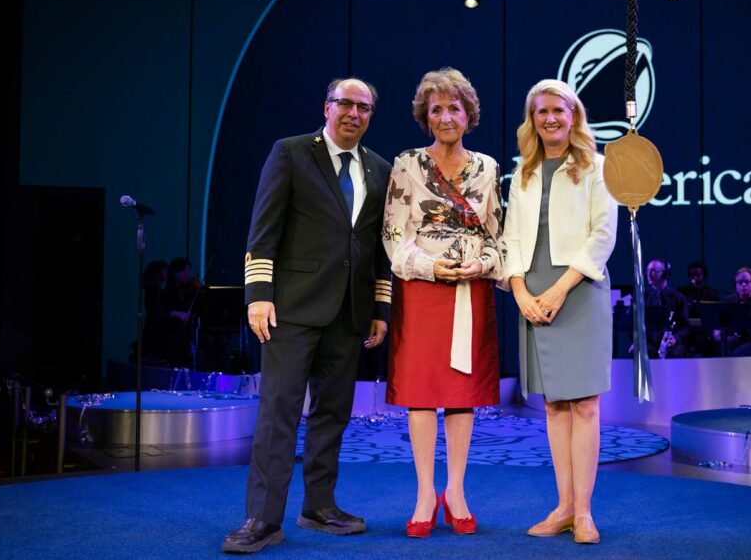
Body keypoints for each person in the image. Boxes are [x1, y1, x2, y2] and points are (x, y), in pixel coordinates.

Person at [222, 78, 392, 554]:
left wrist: (381, 308)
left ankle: (319, 506)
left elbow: (379, 247)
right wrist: (258, 294)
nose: (353, 113)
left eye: (363, 107)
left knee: (332, 414)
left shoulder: (379, 169)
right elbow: (264, 228)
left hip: (350, 313)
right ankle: (261, 518)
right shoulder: (291, 152)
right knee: (278, 413)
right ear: (327, 106)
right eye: (345, 104)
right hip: (291, 310)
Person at [382, 68, 505, 538]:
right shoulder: (407, 164)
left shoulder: (489, 168)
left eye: (454, 107)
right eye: (436, 109)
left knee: (460, 394)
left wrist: (483, 265)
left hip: (470, 291)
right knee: (420, 393)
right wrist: (432, 268)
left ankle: (455, 491)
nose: (446, 116)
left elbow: (499, 235)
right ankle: (423, 494)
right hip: (421, 290)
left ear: (468, 114)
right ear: (425, 117)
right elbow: (394, 236)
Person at [503, 79, 618, 544]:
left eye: (558, 110)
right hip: (531, 293)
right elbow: (510, 239)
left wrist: (558, 290)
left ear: (574, 115)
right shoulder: (524, 173)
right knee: (553, 406)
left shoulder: (597, 167)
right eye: (541, 112)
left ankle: (585, 513)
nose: (550, 119)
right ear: (532, 120)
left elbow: (603, 237)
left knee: (585, 405)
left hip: (579, 290)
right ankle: (564, 508)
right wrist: (520, 292)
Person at [644, 259, 690, 359]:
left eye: (653, 271)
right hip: (649, 344)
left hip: (670, 344)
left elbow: (686, 326)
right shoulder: (643, 298)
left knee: (675, 353)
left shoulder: (678, 298)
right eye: (648, 271)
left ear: (665, 274)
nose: (649, 274)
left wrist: (676, 338)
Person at [712, 267, 751, 355]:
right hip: (732, 339)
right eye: (740, 282)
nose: (743, 285)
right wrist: (716, 332)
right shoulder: (727, 301)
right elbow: (718, 323)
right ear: (735, 285)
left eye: (746, 282)